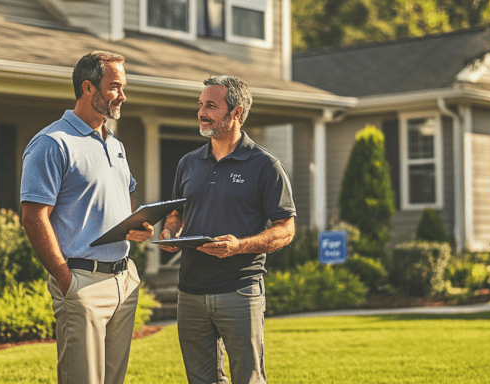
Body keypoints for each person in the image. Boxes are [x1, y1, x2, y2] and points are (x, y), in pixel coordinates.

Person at [20, 51, 153, 384]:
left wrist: (136, 224)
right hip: (83, 282)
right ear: (88, 87)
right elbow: (34, 216)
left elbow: (124, 197)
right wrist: (66, 280)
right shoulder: (53, 143)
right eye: (115, 87)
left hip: (124, 280)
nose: (122, 96)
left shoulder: (116, 144)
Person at [159, 75, 296, 384]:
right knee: (200, 379)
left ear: (236, 112)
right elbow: (176, 212)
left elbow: (285, 229)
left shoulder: (265, 165)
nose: (202, 112)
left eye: (211, 105)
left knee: (247, 378)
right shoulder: (189, 163)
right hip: (190, 290)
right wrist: (171, 232)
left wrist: (240, 245)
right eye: (201, 105)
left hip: (239, 289)